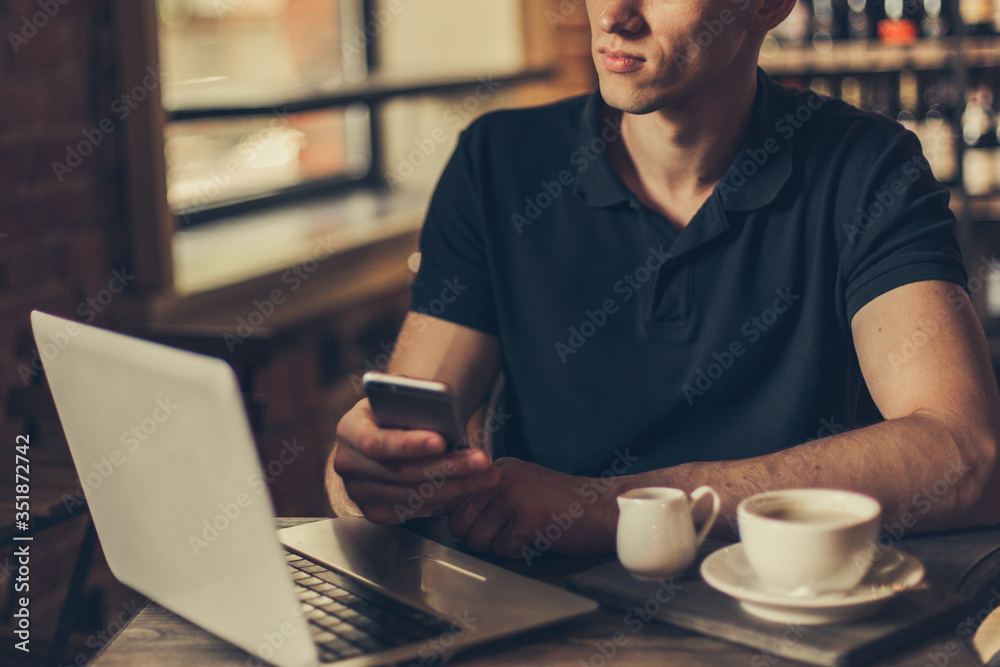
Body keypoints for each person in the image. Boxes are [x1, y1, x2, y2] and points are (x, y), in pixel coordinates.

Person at [327, 0, 1000, 560]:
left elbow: (967, 454)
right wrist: (373, 474)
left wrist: (617, 508)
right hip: (543, 632)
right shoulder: (497, 162)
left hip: (788, 619)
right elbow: (407, 430)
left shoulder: (868, 167)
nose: (615, 15)